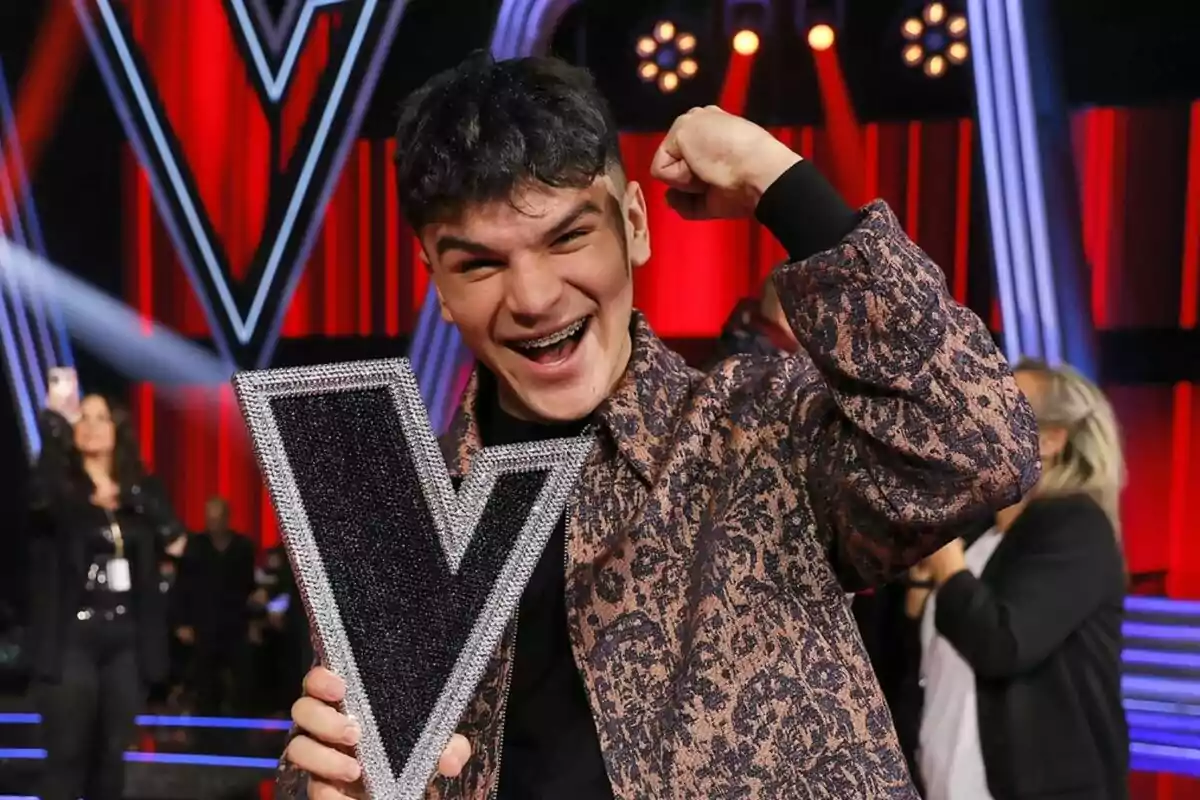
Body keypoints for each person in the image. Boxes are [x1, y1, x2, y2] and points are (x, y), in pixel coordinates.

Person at [279, 54, 1039, 799]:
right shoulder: (390, 520)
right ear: (437, 285)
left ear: (634, 225)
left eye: (567, 237)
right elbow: (352, 761)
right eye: (479, 265)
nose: (536, 297)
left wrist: (778, 179)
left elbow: (979, 447)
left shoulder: (759, 429)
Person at [912, 359, 1128, 800]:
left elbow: (1004, 643)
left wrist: (947, 565)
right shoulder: (980, 534)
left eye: (1002, 407)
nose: (977, 419)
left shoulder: (1077, 528)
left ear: (1051, 440)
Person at [27, 378, 185, 800]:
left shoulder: (141, 491)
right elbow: (39, 500)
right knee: (66, 756)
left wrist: (139, 498)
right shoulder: (62, 489)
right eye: (83, 417)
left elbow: (177, 542)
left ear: (118, 428)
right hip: (72, 638)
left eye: (102, 418)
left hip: (126, 641)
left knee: (111, 761)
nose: (92, 426)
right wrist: (54, 424)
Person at [174, 496, 257, 715]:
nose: (213, 523)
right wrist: (182, 621)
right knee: (205, 682)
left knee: (242, 681)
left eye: (218, 518)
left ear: (227, 518)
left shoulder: (243, 547)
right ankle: (205, 733)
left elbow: (250, 586)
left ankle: (241, 731)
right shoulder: (194, 545)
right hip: (204, 621)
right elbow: (182, 585)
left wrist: (254, 621)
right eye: (209, 518)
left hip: (236, 621)